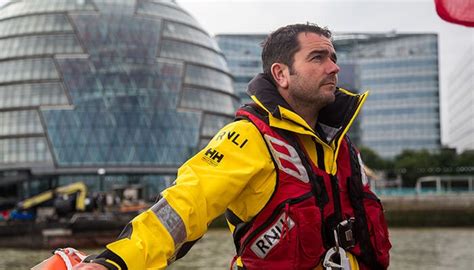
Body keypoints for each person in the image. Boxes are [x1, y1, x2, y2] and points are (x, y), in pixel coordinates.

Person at [73, 23, 391, 270]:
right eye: (318, 58)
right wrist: (115, 262)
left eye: (333, 58)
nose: (333, 67)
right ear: (281, 74)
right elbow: (186, 205)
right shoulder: (248, 138)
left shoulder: (341, 143)